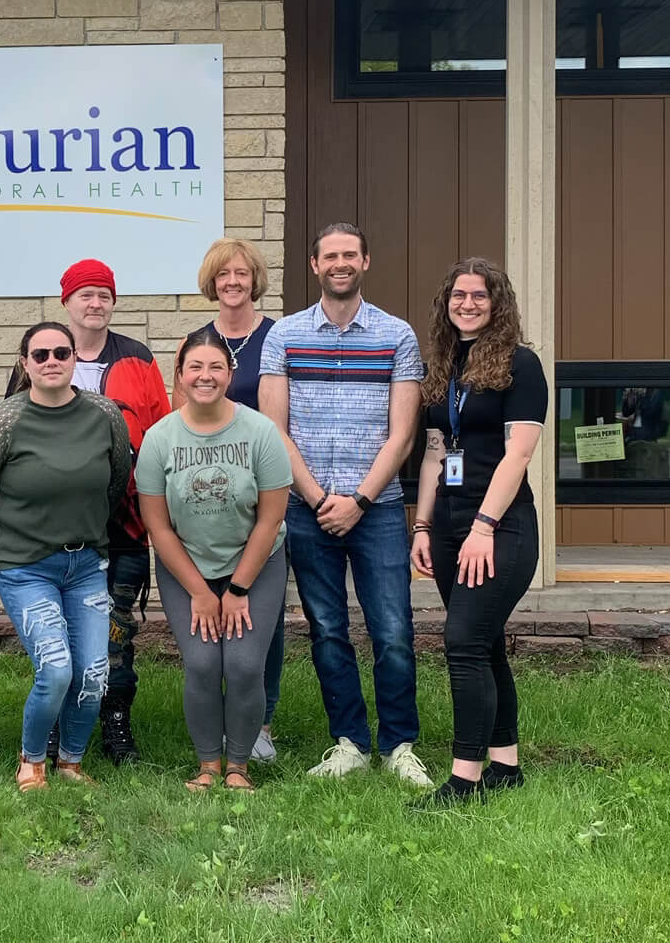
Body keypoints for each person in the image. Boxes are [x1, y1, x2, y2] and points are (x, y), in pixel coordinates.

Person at [258, 222, 433, 788]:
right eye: (330, 256)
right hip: (306, 510)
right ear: (314, 266)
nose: (340, 263)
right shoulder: (284, 336)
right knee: (327, 628)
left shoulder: (396, 336)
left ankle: (400, 745)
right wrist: (315, 498)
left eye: (350, 255)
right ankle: (350, 742)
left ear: (365, 262)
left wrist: (357, 499)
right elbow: (273, 428)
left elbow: (402, 435)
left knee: (393, 630)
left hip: (377, 509)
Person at [6, 259, 170, 764]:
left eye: (103, 294)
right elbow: (8, 436)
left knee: (115, 635)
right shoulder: (40, 355)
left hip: (121, 529)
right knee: (56, 638)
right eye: (85, 294)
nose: (95, 303)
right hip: (50, 536)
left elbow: (162, 431)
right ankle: (53, 729)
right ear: (66, 301)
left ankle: (116, 725)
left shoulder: (138, 358)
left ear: (113, 302)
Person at [0, 322, 133, 792]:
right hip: (25, 567)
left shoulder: (104, 414)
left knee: (94, 673)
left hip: (85, 568)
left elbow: (117, 479)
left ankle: (71, 763)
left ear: (75, 358)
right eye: (40, 355)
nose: (51, 361)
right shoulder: (5, 421)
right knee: (56, 669)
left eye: (61, 352)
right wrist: (0, 536)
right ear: (25, 364)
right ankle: (32, 760)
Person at [409, 258, 546, 807]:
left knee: (463, 642)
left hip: (501, 524)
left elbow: (519, 452)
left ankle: (463, 781)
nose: (467, 303)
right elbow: (435, 453)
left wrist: (485, 525)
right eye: (458, 295)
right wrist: (422, 524)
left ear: (498, 303)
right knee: (484, 644)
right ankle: (505, 767)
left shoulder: (521, 364)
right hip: (446, 522)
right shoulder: (443, 363)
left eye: (479, 296)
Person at [140, 328, 291, 792]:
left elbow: (270, 519)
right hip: (186, 566)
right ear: (180, 375)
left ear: (231, 373)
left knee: (244, 665)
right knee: (204, 664)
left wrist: (239, 589)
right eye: (195, 368)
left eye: (216, 367)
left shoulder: (260, 431)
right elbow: (158, 527)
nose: (205, 376)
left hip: (256, 563)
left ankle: (239, 766)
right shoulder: (159, 438)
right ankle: (208, 764)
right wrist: (203, 594)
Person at [173, 237, 284, 764]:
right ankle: (215, 735)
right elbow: (180, 419)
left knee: (264, 626)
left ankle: (260, 723)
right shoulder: (197, 342)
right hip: (204, 501)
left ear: (254, 279)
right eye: (223, 275)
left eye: (242, 273)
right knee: (211, 648)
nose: (233, 282)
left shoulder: (277, 337)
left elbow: (280, 420)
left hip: (265, 486)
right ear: (212, 282)